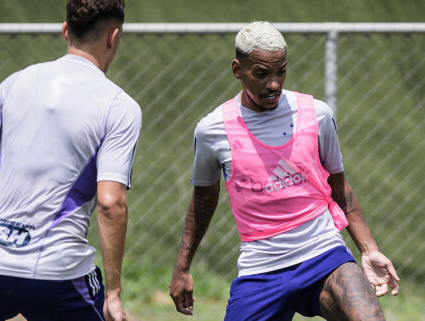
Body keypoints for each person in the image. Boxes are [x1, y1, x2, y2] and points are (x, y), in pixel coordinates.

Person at [169, 21, 399, 321]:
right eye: (262, 74)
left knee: (369, 316)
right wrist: (183, 266)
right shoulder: (212, 131)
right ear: (238, 70)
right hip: (261, 269)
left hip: (324, 256)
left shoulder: (317, 114)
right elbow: (203, 200)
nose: (274, 83)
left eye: (281, 72)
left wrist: (369, 250)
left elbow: (339, 186)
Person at [0, 1, 141, 320]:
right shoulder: (120, 107)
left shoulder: (17, 83)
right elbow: (111, 203)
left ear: (65, 30)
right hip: (60, 276)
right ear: (114, 37)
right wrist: (113, 294)